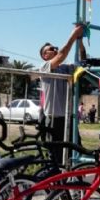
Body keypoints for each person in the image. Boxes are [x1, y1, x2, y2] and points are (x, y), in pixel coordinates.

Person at [36, 24, 85, 163]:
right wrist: (73, 35)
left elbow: (83, 61)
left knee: (76, 151)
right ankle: (57, 182)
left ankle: (75, 181)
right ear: (45, 55)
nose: (55, 49)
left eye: (55, 47)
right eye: (51, 49)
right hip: (53, 120)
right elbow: (62, 55)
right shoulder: (44, 67)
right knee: (56, 156)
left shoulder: (65, 68)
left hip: (68, 119)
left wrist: (79, 42)